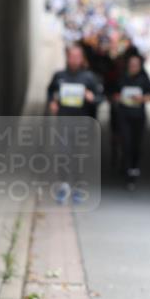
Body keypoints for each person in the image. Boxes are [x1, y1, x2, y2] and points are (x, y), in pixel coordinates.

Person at [46, 44, 105, 203]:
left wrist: (92, 98)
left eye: (77, 56)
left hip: (82, 123)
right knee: (63, 154)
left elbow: (100, 98)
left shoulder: (89, 78)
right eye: (71, 56)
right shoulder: (59, 76)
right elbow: (50, 92)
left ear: (82, 59)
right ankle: (64, 186)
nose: (74, 59)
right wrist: (52, 102)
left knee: (78, 155)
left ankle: (78, 187)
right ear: (67, 57)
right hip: (63, 121)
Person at [113, 54, 150, 190]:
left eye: (136, 65)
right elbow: (112, 94)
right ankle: (126, 170)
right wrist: (118, 97)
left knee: (136, 144)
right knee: (126, 143)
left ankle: (134, 167)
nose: (133, 67)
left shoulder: (144, 79)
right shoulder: (121, 78)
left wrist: (142, 98)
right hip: (123, 116)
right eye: (131, 64)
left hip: (138, 117)